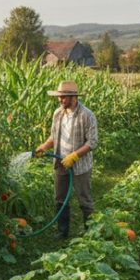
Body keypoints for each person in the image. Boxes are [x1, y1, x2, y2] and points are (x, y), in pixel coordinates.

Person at [35, 80, 99, 240]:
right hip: (60, 163)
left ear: (73, 97)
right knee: (60, 199)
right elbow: (53, 136)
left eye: (63, 97)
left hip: (80, 166)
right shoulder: (58, 113)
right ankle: (62, 232)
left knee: (85, 200)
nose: (60, 99)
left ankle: (91, 233)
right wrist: (44, 146)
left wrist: (75, 156)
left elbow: (92, 142)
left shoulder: (87, 115)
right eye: (59, 96)